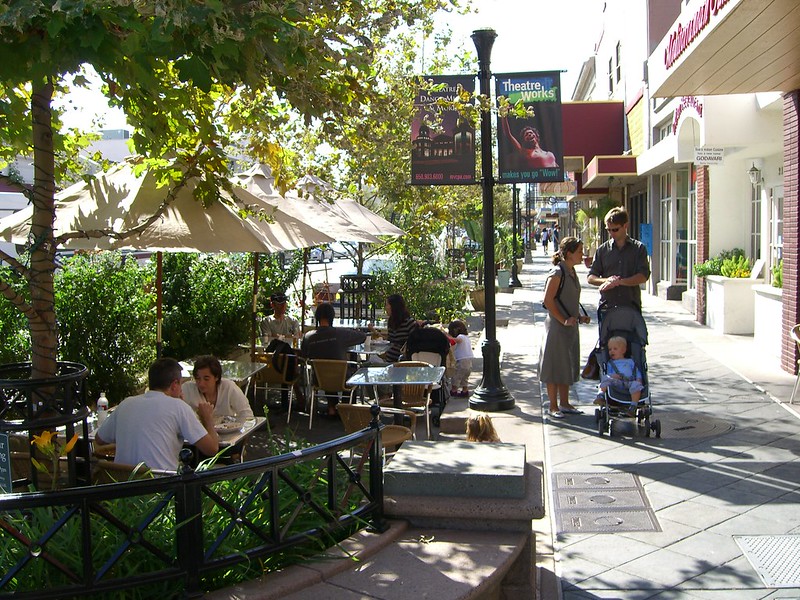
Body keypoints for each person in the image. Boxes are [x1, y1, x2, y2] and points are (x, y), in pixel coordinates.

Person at [95, 357, 219, 471]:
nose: (181, 388)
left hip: (124, 487)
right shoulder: (179, 407)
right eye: (180, 383)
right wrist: (207, 418)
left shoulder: (125, 404)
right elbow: (212, 449)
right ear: (174, 384)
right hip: (161, 488)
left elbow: (99, 439)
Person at [539, 237, 592, 419]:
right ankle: (553, 406)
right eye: (579, 251)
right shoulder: (557, 273)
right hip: (557, 327)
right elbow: (548, 300)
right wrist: (563, 320)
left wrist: (578, 317)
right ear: (568, 253)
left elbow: (569, 300)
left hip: (569, 326)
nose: (582, 254)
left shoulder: (571, 271)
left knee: (567, 364)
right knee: (554, 365)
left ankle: (565, 403)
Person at [301, 302, 366, 416]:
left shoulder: (308, 337)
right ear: (332, 317)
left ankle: (332, 406)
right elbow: (362, 337)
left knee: (325, 370)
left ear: (317, 317)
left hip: (319, 380)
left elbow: (304, 355)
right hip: (341, 380)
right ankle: (345, 409)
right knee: (351, 371)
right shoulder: (340, 333)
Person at [587, 207, 651, 317]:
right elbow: (591, 277)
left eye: (615, 229)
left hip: (631, 306)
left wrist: (619, 282)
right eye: (609, 230)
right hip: (607, 307)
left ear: (625, 226)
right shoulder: (602, 250)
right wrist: (608, 281)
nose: (611, 233)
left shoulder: (638, 249)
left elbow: (643, 276)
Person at [182, 355, 254, 419]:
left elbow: (246, 414)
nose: (201, 383)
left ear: (216, 377)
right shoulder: (187, 389)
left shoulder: (229, 388)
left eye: (206, 379)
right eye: (198, 378)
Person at [595, 336, 644, 413]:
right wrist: (612, 376)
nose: (611, 351)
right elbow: (608, 373)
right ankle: (600, 394)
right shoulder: (610, 363)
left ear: (623, 350)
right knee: (605, 378)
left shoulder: (630, 361)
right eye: (610, 349)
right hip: (617, 383)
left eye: (615, 349)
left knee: (637, 385)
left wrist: (638, 379)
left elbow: (636, 370)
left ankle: (633, 406)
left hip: (630, 382)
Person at [374, 294, 419, 363]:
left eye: (387, 305)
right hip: (389, 360)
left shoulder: (409, 323)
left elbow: (413, 345)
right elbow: (391, 341)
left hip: (402, 362)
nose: (385, 308)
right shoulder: (391, 321)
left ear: (394, 306)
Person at [448, 319, 473, 398]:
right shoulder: (466, 337)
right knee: (464, 377)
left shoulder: (460, 336)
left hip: (462, 361)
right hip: (468, 360)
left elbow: (457, 341)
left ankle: (454, 390)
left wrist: (447, 336)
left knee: (456, 376)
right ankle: (465, 390)